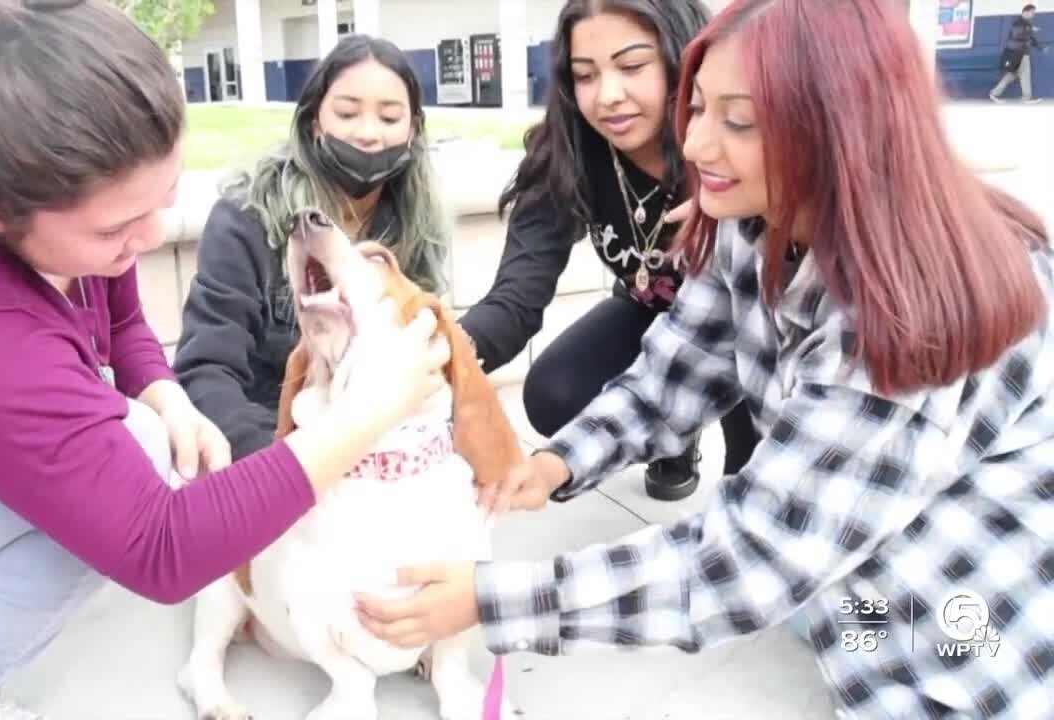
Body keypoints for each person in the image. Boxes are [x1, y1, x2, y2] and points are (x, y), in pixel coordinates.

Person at [355, 1, 1054, 718]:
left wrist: (487, 599)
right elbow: (675, 366)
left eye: (740, 121)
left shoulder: (917, 307)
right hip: (849, 587)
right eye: (699, 110)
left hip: (975, 637)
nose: (693, 148)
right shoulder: (748, 218)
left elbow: (746, 563)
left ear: (844, 125)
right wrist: (554, 465)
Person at [0, 2, 448, 719]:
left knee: (142, 437)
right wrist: (373, 408)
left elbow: (117, 312)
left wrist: (168, 396)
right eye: (119, 227)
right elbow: (162, 550)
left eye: (164, 196)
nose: (153, 236)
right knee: (129, 465)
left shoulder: (26, 158)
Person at [456, 0, 759, 501]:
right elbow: (514, 300)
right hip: (652, 305)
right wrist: (437, 358)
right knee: (556, 392)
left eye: (633, 66)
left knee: (752, 475)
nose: (608, 96)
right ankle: (672, 441)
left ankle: (709, 429)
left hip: (744, 323)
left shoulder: (731, 152)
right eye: (585, 75)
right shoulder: (571, 152)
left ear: (682, 58)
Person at [173, 34, 451, 462]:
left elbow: (427, 358)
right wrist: (284, 469)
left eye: (390, 117)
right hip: (271, 445)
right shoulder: (247, 216)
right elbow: (207, 369)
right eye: (347, 113)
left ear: (413, 131)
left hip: (382, 448)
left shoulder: (420, 224)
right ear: (314, 121)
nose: (368, 134)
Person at [990, 3, 1045, 104]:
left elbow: (1031, 39)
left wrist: (1040, 48)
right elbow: (1017, 34)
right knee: (1025, 74)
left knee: (1011, 75)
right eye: (1032, 12)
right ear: (1025, 12)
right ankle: (1027, 97)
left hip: (1019, 53)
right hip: (1019, 52)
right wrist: (1030, 29)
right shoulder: (1018, 22)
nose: (1033, 15)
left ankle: (994, 94)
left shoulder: (1027, 24)